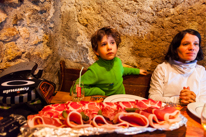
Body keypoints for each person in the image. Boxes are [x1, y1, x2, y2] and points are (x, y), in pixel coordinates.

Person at [71, 26, 147, 96]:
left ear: (117, 46)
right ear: (96, 51)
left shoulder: (118, 61)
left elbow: (122, 70)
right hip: (107, 105)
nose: (109, 47)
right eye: (104, 44)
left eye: (112, 43)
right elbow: (75, 89)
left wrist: (137, 71)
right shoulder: (95, 70)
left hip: (122, 101)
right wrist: (98, 91)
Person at [149, 29, 206, 105]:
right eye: (186, 44)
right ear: (176, 49)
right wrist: (180, 100)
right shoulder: (163, 69)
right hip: (167, 113)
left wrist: (193, 99)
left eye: (196, 44)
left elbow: (204, 99)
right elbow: (153, 98)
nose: (192, 48)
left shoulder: (201, 71)